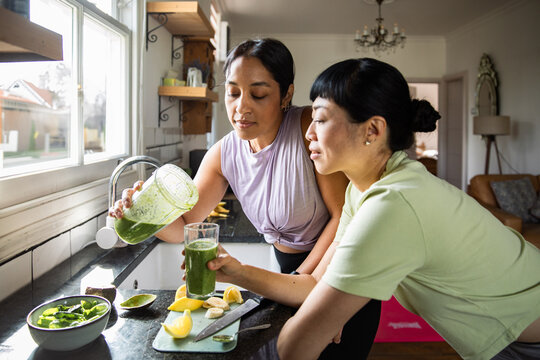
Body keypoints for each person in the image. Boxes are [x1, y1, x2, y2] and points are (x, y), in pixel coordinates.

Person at [112, 39, 381, 358]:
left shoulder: (310, 128)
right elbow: (185, 225)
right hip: (291, 277)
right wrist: (142, 211)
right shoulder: (224, 154)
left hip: (339, 269)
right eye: (233, 92)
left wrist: (311, 288)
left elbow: (342, 217)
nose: (241, 107)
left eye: (258, 93)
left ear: (286, 94)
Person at [274, 58, 540, 360]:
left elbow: (294, 347)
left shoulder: (392, 204)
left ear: (372, 130)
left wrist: (319, 319)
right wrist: (236, 272)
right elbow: (318, 282)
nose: (309, 132)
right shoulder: (363, 190)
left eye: (320, 119)